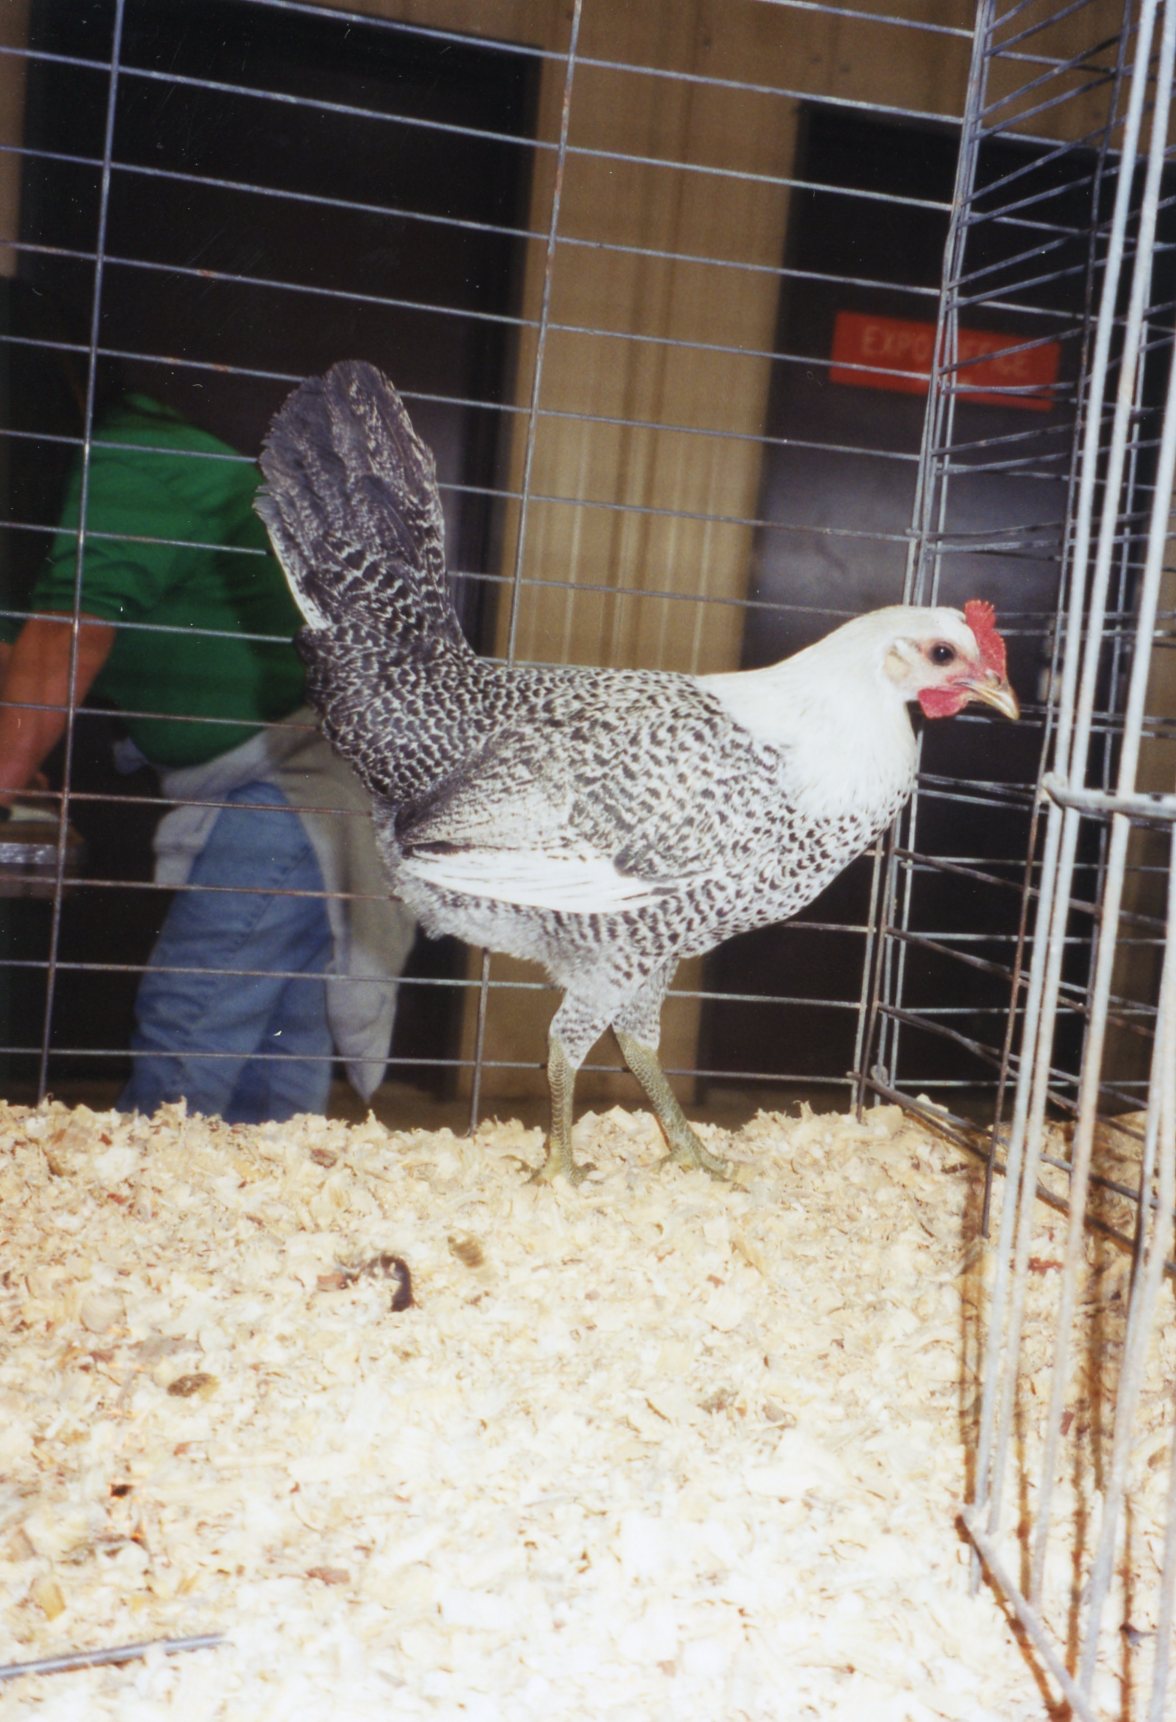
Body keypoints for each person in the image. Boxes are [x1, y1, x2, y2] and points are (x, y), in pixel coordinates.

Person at [0, 389, 414, 1122]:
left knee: (194, 1015)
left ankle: (145, 1211)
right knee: (277, 1037)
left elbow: (65, 636)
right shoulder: (68, 480)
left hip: (299, 781)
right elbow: (21, 648)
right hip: (293, 781)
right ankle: (267, 1212)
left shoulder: (131, 466)